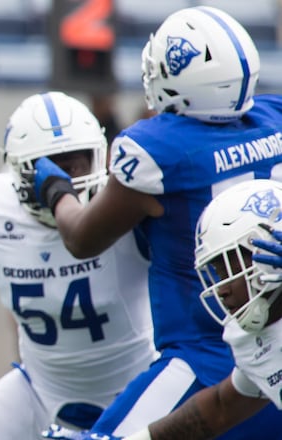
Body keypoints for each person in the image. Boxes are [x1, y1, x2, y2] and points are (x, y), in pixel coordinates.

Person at [33, 6, 282, 439]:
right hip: (263, 346)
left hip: (202, 355)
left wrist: (57, 191)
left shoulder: (158, 150)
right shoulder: (274, 118)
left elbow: (81, 238)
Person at [0, 91, 156, 439]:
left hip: (138, 387)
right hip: (41, 389)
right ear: (20, 172)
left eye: (74, 164)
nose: (61, 179)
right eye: (49, 167)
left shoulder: (126, 210)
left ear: (99, 157)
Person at [45, 179, 282, 440]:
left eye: (231, 267)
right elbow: (220, 408)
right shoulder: (255, 341)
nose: (222, 289)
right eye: (217, 271)